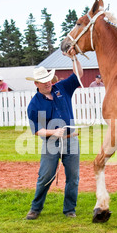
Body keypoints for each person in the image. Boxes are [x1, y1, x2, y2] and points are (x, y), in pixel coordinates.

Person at [25, 48, 83, 220]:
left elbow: (78, 74)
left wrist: (74, 58)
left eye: (48, 79)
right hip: (51, 143)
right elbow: (37, 130)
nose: (47, 83)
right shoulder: (34, 104)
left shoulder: (63, 88)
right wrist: (54, 132)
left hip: (71, 140)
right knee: (45, 176)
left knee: (73, 177)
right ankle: (36, 208)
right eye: (42, 81)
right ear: (36, 83)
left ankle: (69, 209)